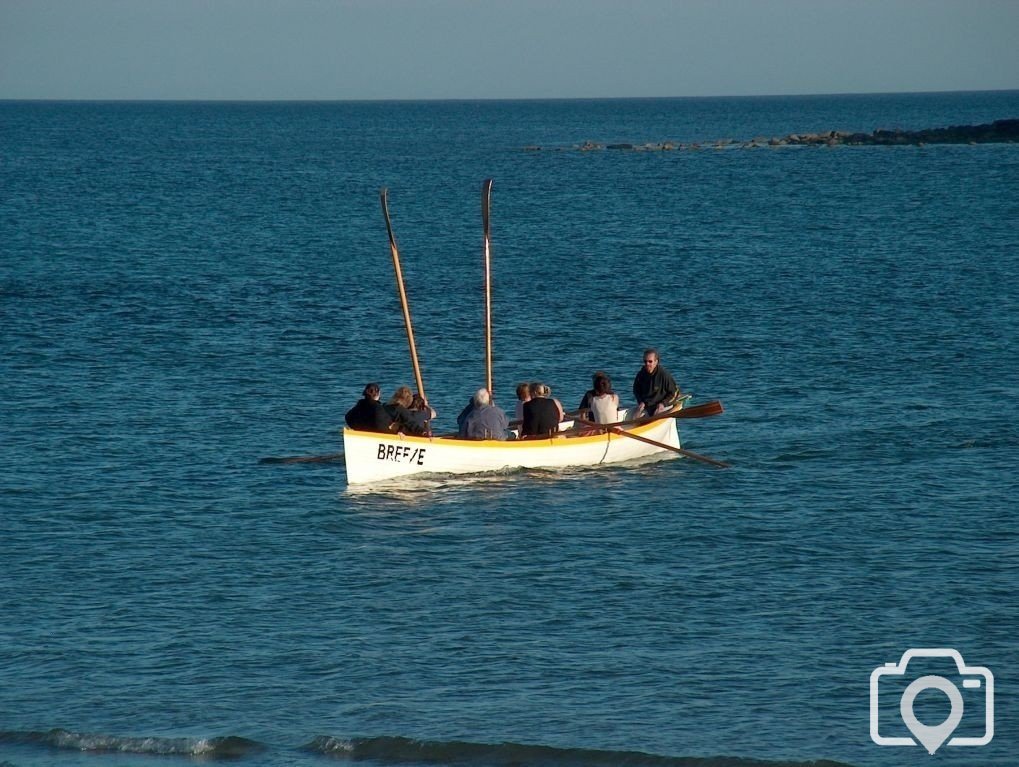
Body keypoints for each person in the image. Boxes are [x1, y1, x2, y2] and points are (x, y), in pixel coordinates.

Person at [632, 348, 680, 417]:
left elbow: (675, 392)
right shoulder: (641, 374)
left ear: (656, 362)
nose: (647, 364)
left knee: (657, 415)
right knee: (635, 417)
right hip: (648, 405)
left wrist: (663, 404)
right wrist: (641, 402)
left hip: (662, 405)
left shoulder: (664, 374)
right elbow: (636, 390)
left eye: (650, 361)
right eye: (645, 361)